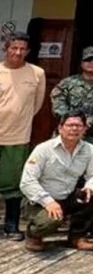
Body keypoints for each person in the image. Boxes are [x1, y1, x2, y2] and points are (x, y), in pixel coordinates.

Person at [19, 113, 93, 252]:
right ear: (60, 128)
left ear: (84, 129)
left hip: (67, 197)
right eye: (70, 125)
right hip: (41, 201)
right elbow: (27, 182)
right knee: (51, 221)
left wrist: (90, 187)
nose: (74, 129)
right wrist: (48, 202)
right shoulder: (44, 149)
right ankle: (33, 235)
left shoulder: (89, 149)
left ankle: (77, 236)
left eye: (78, 126)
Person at [0, 32, 46, 241]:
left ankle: (11, 225)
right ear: (6, 49)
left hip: (18, 137)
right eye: (14, 48)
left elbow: (36, 105)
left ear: (28, 51)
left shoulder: (37, 73)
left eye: (22, 49)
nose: (18, 52)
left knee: (13, 183)